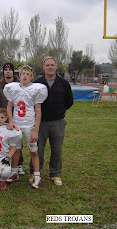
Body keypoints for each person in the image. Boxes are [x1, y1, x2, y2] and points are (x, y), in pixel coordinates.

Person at [4, 65, 48, 188]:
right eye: (23, 73)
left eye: (27, 74)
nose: (24, 75)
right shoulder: (13, 88)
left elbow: (38, 111)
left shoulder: (36, 89)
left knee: (34, 151)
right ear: (20, 75)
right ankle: (14, 173)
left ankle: (37, 176)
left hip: (29, 124)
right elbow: (9, 107)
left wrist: (36, 130)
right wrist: (11, 121)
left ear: (31, 77)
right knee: (16, 149)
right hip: (17, 124)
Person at [33, 56, 73, 186]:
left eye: (52, 65)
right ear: (43, 67)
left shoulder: (64, 83)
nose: (50, 67)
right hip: (41, 122)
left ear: (56, 67)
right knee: (38, 149)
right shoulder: (37, 83)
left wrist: (58, 111)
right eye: (47, 65)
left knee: (57, 149)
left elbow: (69, 102)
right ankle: (35, 172)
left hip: (58, 122)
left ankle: (55, 174)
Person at [0, 62, 26, 175]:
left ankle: (19, 164)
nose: (8, 71)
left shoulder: (19, 84)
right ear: (3, 72)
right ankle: (1, 163)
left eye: (10, 69)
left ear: (13, 71)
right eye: (5, 69)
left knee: (17, 141)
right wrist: (0, 116)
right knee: (2, 140)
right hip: (2, 117)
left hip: (16, 116)